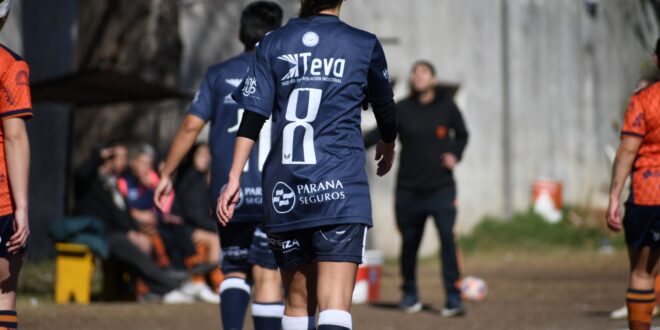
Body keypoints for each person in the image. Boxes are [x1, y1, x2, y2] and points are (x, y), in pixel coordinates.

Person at [217, 1, 397, 329]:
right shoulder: (363, 42)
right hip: (339, 189)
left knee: (297, 304)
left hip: (286, 191)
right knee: (334, 305)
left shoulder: (272, 42)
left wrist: (233, 178)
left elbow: (252, 118)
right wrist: (388, 140)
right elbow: (385, 107)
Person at [154, 2, 285, 329]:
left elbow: (189, 127)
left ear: (241, 32)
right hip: (275, 191)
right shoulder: (285, 72)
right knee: (268, 275)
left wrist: (167, 173)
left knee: (233, 268)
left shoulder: (218, 74)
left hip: (231, 192)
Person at [390, 61, 469, 316]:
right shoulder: (401, 108)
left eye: (423, 72)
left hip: (441, 189)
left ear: (433, 79)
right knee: (409, 245)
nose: (417, 75)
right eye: (414, 72)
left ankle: (454, 298)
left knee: (447, 239)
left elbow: (463, 134)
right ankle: (410, 293)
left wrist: (455, 154)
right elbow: (381, 134)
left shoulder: (447, 105)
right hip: (408, 191)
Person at [76, 143, 190, 301]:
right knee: (136, 251)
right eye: (120, 157)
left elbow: (124, 213)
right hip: (102, 233)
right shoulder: (94, 181)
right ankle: (169, 287)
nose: (124, 161)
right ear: (108, 159)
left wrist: (133, 231)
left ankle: (157, 287)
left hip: (120, 232)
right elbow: (80, 174)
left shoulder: (113, 182)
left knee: (150, 240)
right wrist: (102, 153)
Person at [607, 38, 660, 330]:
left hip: (649, 195)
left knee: (642, 272)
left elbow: (628, 150)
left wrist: (614, 196)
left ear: (656, 58)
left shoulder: (643, 100)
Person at [0, 1, 33, 328]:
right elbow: (15, 137)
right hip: (1, 201)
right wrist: (22, 208)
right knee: (3, 292)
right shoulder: (9, 64)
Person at [170, 143, 224, 301]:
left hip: (193, 226)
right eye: (201, 153)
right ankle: (211, 284)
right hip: (184, 228)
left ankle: (208, 284)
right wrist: (216, 227)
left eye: (208, 154)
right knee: (215, 240)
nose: (205, 157)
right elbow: (193, 214)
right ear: (192, 155)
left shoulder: (201, 179)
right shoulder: (191, 179)